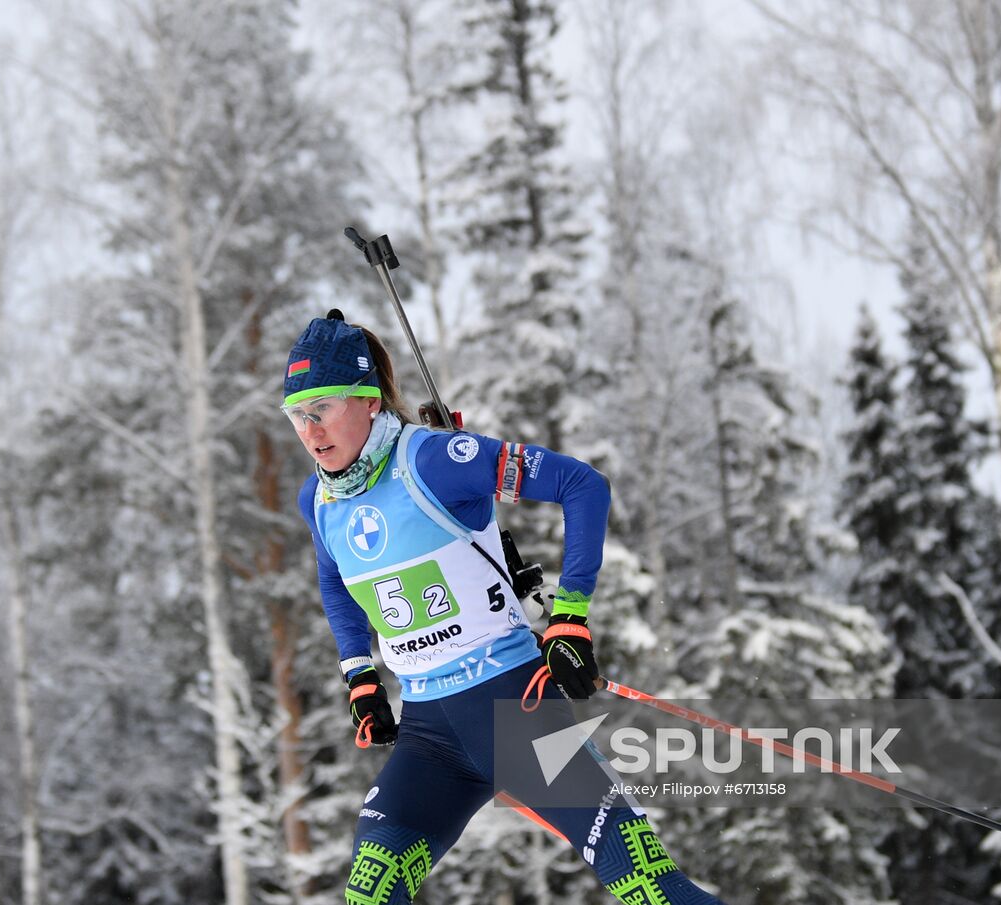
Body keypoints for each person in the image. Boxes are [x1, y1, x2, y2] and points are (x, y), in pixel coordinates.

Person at [287, 310, 723, 904]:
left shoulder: (437, 460)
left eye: (323, 409)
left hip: (513, 711)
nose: (311, 430)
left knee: (650, 890)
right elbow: (334, 579)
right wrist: (359, 675)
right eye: (297, 415)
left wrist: (569, 616)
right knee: (369, 897)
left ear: (368, 401)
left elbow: (583, 485)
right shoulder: (318, 498)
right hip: (428, 738)